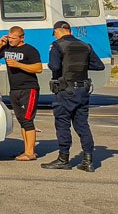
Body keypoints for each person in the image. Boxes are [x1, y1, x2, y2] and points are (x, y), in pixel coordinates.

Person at [43, 21, 105, 172]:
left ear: (58, 31)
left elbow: (55, 66)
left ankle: (63, 159)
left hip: (65, 90)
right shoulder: (85, 45)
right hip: (83, 90)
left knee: (63, 123)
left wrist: (65, 64)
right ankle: (88, 160)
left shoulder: (57, 45)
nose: (55, 35)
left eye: (55, 32)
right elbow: (99, 65)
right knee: (82, 125)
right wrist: (81, 65)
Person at [0, 26, 43, 161]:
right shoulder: (7, 48)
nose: (10, 40)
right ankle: (26, 150)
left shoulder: (30, 50)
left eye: (13, 38)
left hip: (29, 89)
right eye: (9, 37)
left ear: (21, 38)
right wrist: (0, 44)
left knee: (28, 120)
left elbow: (38, 68)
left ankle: (30, 153)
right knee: (22, 120)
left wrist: (19, 65)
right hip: (15, 89)